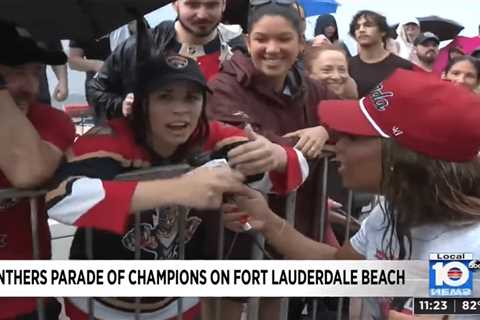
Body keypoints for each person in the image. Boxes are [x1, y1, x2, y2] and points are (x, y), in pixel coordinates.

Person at [46, 53, 308, 320]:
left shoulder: (212, 135)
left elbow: (295, 168)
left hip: (177, 302)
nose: (180, 109)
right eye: (165, 97)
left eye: (191, 98)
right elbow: (60, 198)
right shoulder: (109, 138)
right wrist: (178, 188)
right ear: (141, 104)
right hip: (100, 302)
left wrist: (275, 155)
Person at [224, 68, 480, 319]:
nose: (337, 146)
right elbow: (338, 263)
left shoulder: (463, 252)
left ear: (402, 157)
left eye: (353, 137)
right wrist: (266, 220)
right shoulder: (391, 210)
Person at [207, 2, 342, 318]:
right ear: (247, 39)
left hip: (294, 223)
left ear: (300, 41)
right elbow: (241, 140)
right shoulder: (224, 86)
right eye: (261, 39)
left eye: (283, 39)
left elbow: (351, 119)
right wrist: (293, 148)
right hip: (235, 223)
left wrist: (324, 129)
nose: (272, 49)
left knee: (277, 305)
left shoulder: (313, 88)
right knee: (224, 306)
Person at [0, 21, 76, 318]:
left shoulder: (50, 120)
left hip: (27, 300)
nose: (30, 86)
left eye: (36, 72)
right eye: (17, 71)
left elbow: (29, 172)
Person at [87, 0, 244, 120]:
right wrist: (122, 105)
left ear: (223, 4)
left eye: (211, 5)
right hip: (155, 157)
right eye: (192, 4)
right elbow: (96, 90)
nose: (202, 14)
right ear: (175, 4)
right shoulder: (141, 46)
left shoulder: (239, 52)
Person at [348, 10, 414, 97]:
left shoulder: (403, 66)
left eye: (368, 25)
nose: (361, 30)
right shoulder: (348, 66)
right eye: (357, 27)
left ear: (383, 32)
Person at [68, 36, 111, 121]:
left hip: (130, 80)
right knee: (105, 128)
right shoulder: (82, 26)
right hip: (100, 85)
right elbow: (72, 61)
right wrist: (95, 65)